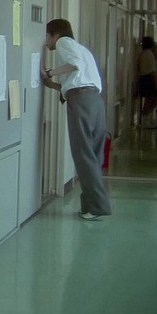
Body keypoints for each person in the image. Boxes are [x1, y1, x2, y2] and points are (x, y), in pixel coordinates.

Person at [40, 19, 112, 220]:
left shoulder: (64, 42)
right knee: (93, 155)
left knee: (83, 154)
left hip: (81, 101)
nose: (46, 42)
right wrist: (53, 84)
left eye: (46, 37)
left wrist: (48, 72)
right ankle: (88, 206)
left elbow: (75, 65)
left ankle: (98, 206)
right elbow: (78, 80)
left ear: (55, 34)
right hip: (94, 101)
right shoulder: (83, 49)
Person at [136, 36, 157, 128]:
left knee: (149, 100)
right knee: (150, 100)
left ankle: (146, 120)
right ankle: (146, 121)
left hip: (143, 78)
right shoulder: (150, 55)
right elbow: (152, 71)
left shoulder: (142, 54)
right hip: (148, 78)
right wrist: (156, 83)